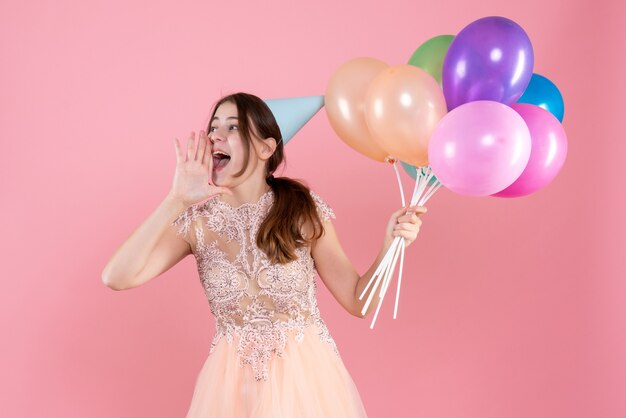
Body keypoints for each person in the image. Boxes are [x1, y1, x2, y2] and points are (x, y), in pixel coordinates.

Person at [101, 92, 427, 417]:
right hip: (231, 392)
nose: (215, 135)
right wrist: (176, 198)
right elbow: (116, 277)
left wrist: (392, 245)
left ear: (265, 148)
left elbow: (360, 302)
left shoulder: (302, 211)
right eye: (213, 127)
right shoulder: (196, 224)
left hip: (305, 387)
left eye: (232, 127)